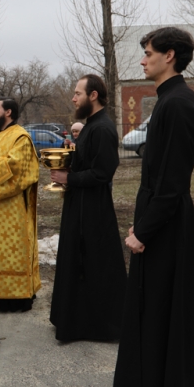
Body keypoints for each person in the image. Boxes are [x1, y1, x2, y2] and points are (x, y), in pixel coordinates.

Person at [113, 27, 194, 387]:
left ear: (169, 56)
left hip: (166, 228)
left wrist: (142, 232)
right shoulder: (170, 100)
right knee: (154, 311)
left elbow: (172, 183)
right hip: (162, 223)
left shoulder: (179, 103)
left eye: (148, 52)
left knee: (162, 311)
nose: (142, 59)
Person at [49, 75, 126, 341]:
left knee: (92, 264)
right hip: (80, 204)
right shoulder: (91, 125)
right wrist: (69, 170)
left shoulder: (102, 128)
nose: (73, 98)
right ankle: (75, 320)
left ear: (93, 95)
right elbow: (88, 165)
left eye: (77, 93)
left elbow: (103, 172)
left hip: (93, 209)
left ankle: (99, 326)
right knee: (77, 261)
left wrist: (68, 178)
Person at [0, 98, 41, 312]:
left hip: (11, 208)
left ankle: (17, 296)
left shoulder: (20, 136)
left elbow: (20, 167)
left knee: (14, 251)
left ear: (8, 112)